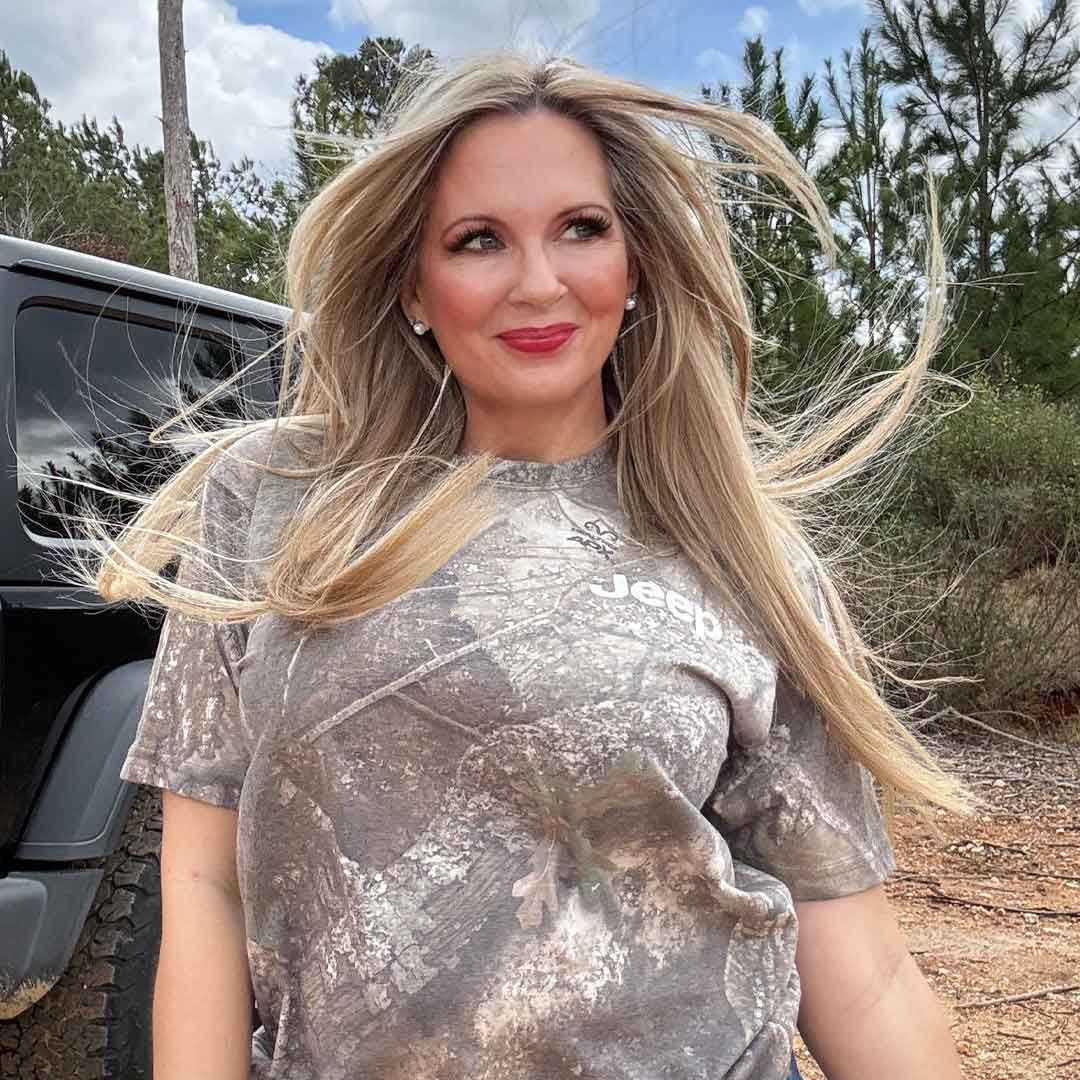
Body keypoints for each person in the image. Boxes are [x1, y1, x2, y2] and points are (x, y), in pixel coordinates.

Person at [89, 50, 970, 1080]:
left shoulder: (741, 555)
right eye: (479, 241)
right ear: (414, 285)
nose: (539, 282)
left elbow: (858, 968)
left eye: (581, 229)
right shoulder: (274, 500)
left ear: (634, 265)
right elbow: (204, 886)